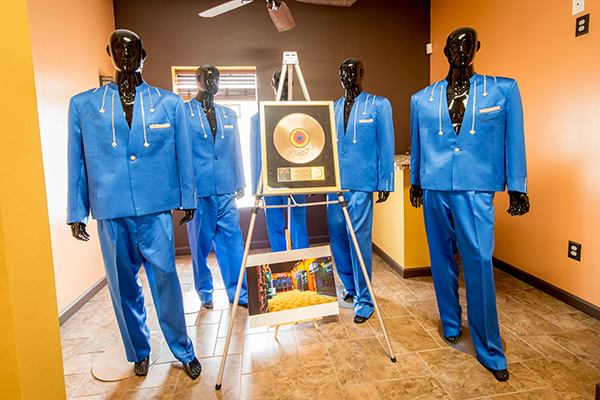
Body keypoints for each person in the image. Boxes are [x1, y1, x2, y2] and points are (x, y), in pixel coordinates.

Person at [67, 29, 201, 379]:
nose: (126, 55)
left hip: (155, 209)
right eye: (118, 48)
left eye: (133, 49)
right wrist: (75, 209)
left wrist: (188, 198)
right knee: (122, 286)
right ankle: (138, 350)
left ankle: (182, 349)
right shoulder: (83, 105)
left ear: (144, 53)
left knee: (167, 281)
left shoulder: (169, 103)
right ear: (108, 51)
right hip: (110, 210)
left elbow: (183, 156)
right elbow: (77, 161)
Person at [410, 27, 530, 382]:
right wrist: (416, 181)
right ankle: (450, 322)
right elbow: (418, 142)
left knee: (478, 261)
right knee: (440, 257)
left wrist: (517, 186)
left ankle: (489, 347)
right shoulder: (422, 98)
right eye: (453, 45)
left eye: (467, 44)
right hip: (434, 187)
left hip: (476, 189)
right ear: (445, 51)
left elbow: (514, 138)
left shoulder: (502, 89)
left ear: (477, 47)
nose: (460, 51)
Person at [327, 58, 395, 324]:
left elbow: (386, 144)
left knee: (359, 242)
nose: (346, 76)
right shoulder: (332, 108)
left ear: (362, 74)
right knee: (338, 240)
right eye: (341, 72)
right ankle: (350, 287)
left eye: (351, 72)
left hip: (362, 184)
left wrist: (385, 181)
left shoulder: (379, 105)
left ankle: (365, 300)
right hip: (335, 185)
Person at [184, 65, 248, 309]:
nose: (213, 82)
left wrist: (240, 181)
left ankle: (239, 292)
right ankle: (205, 291)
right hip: (199, 193)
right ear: (197, 80)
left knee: (233, 244)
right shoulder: (183, 111)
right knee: (199, 247)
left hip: (226, 189)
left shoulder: (228, 114)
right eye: (207, 77)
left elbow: (236, 149)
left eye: (217, 78)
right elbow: (180, 153)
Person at [249, 70, 310, 252]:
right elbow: (255, 154)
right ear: (272, 85)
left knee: (298, 221)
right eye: (278, 82)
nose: (282, 86)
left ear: (291, 84)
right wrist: (256, 190)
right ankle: (280, 261)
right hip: (269, 180)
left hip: (296, 178)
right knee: (274, 223)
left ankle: (303, 261)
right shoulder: (258, 118)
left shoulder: (302, 115)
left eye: (285, 82)